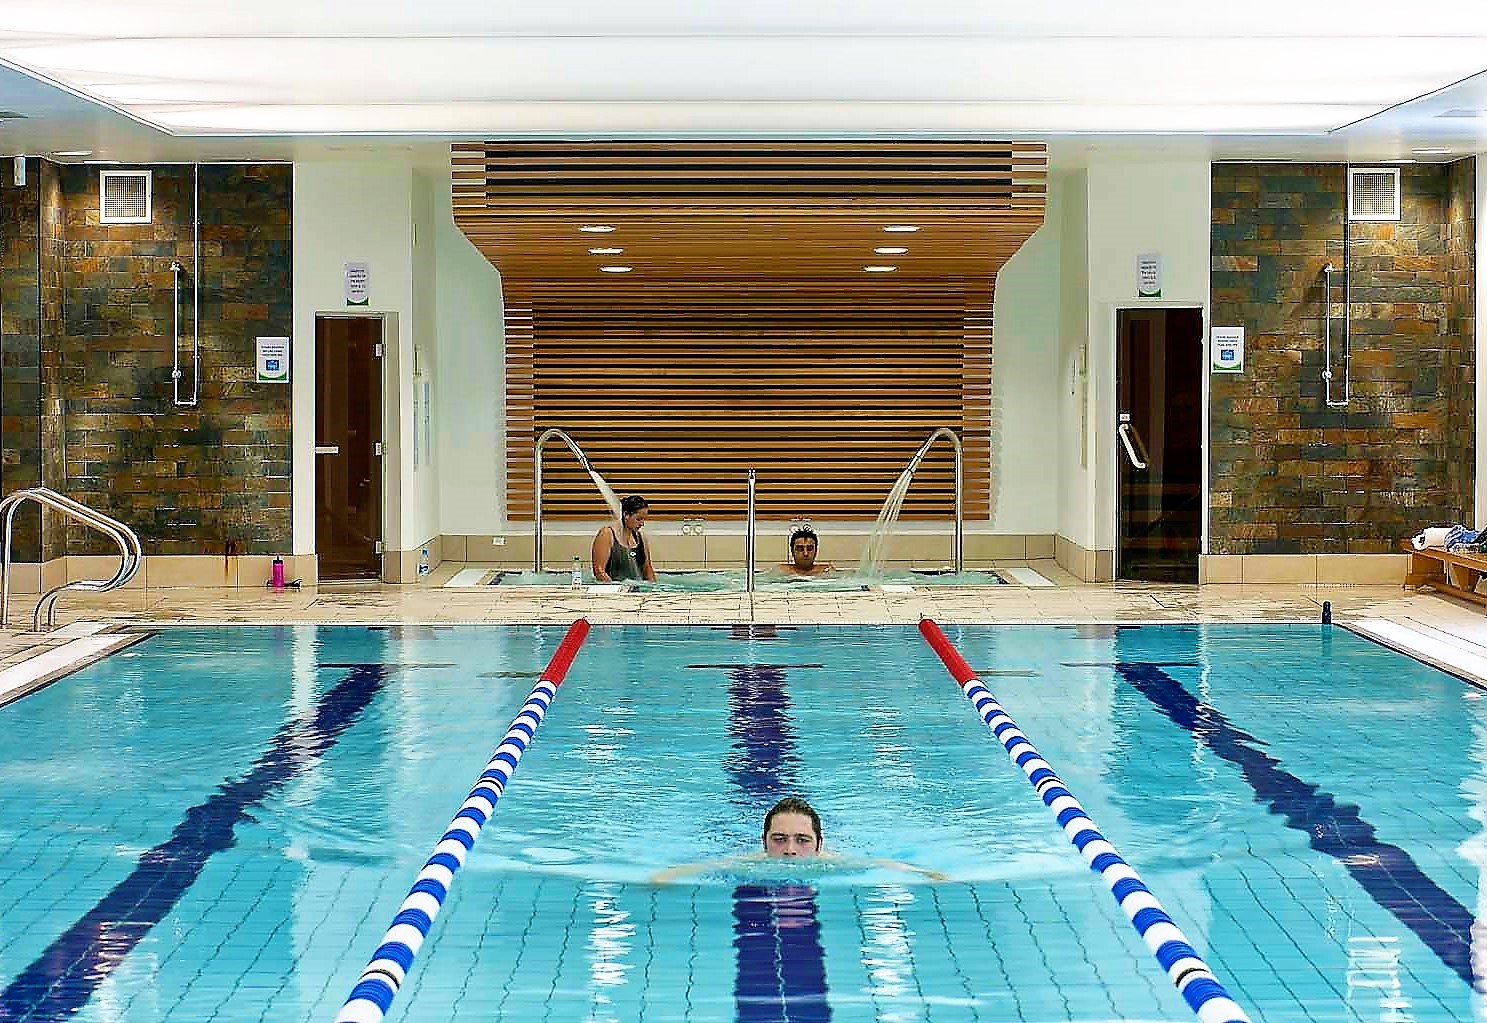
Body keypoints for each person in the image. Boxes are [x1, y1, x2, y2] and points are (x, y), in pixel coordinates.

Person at [651, 796, 945, 882]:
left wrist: (927, 874)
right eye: (779, 839)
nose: (790, 850)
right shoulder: (748, 863)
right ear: (763, 842)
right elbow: (702, 867)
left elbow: (883, 863)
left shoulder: (836, 862)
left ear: (819, 844)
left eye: (802, 840)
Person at [591, 495, 657, 583]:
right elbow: (599, 571)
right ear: (626, 515)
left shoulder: (641, 538)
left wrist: (653, 589)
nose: (642, 524)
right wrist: (616, 590)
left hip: (637, 590)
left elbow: (648, 569)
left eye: (644, 519)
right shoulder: (607, 534)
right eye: (638, 519)